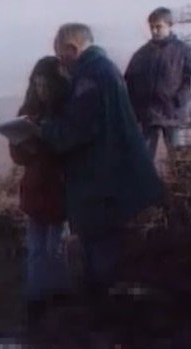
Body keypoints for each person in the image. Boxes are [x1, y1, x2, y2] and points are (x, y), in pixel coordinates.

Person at [38, 24, 164, 301]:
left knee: (102, 246)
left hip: (102, 181)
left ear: (72, 48)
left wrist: (46, 130)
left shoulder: (90, 77)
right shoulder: (104, 70)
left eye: (61, 55)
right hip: (112, 176)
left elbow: (77, 129)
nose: (61, 63)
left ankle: (103, 310)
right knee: (106, 244)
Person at [9, 56, 71, 319]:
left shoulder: (67, 111)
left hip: (59, 187)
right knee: (36, 249)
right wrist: (24, 144)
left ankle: (58, 298)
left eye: (46, 85)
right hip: (35, 187)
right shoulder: (29, 112)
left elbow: (70, 148)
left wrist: (46, 139)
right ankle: (36, 299)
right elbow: (18, 156)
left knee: (56, 247)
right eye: (37, 85)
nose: (41, 91)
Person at [125, 7, 191, 161]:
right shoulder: (142, 54)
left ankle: (178, 177)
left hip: (172, 112)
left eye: (159, 26)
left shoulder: (183, 51)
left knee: (177, 157)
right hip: (148, 113)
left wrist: (179, 99)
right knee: (144, 158)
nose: (154, 31)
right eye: (152, 27)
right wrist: (134, 107)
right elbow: (130, 81)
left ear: (169, 25)